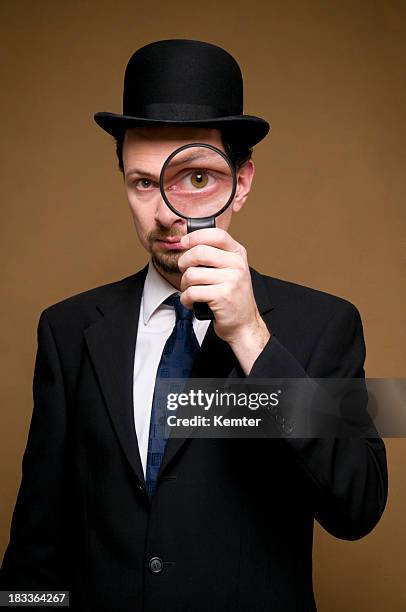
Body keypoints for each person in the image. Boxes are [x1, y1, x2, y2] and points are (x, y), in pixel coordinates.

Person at [0, 39, 388, 611]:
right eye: (142, 183)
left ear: (243, 181)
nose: (165, 212)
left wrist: (252, 338)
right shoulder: (67, 330)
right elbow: (37, 547)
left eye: (197, 179)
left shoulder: (324, 325)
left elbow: (358, 507)